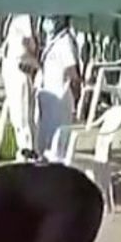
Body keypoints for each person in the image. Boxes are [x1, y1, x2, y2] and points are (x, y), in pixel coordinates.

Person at [36, 16, 81, 161]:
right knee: (45, 145)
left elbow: (72, 73)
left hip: (60, 101)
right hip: (48, 99)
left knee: (58, 149)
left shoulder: (65, 41)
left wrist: (78, 99)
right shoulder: (51, 41)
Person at [1, 11, 40, 160]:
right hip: (9, 67)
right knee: (16, 116)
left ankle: (29, 152)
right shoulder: (13, 14)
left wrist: (34, 63)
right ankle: (22, 150)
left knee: (24, 117)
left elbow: (30, 43)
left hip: (20, 69)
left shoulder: (24, 15)